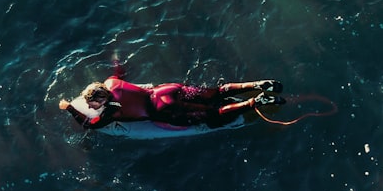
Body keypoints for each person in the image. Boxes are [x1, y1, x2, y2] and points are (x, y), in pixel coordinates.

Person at [58, 68, 285, 129]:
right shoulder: (110, 83)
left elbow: (90, 125)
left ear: (102, 101)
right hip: (167, 91)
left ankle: (255, 102)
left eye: (92, 103)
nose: (90, 106)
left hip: (165, 110)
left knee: (211, 116)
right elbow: (119, 75)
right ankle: (255, 85)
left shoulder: (110, 112)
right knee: (215, 92)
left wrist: (69, 107)